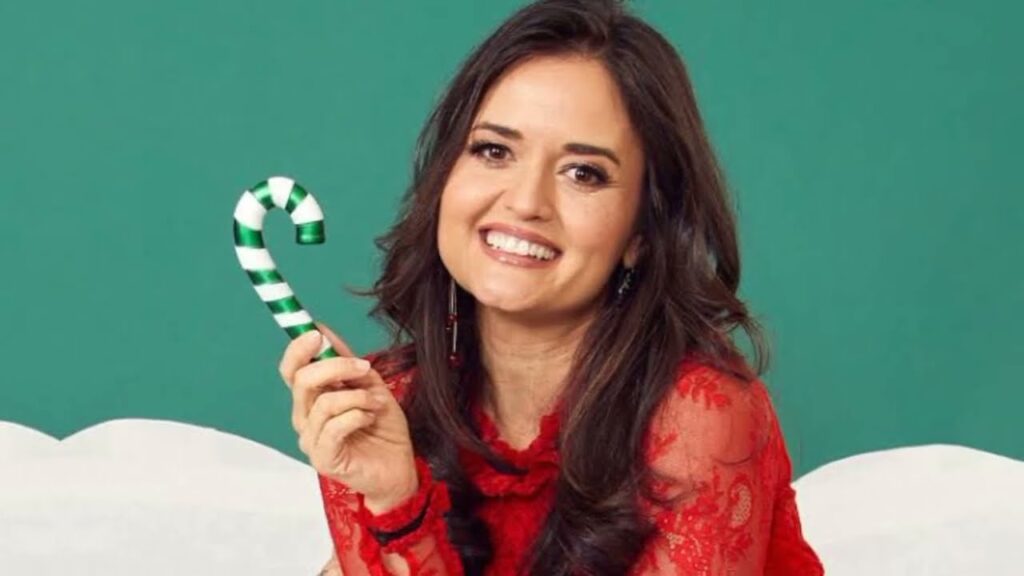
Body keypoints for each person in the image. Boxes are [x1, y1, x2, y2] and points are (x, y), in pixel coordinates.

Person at [277, 0, 825, 574]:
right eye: (494, 150)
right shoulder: (380, 406)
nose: (525, 202)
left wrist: (401, 526)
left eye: (583, 173)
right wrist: (392, 499)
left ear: (642, 230)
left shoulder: (697, 419)